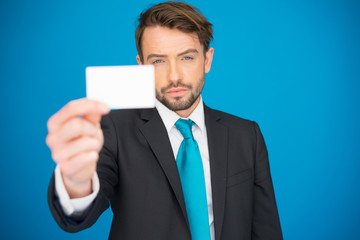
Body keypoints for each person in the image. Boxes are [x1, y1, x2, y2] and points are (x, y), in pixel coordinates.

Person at [46, 1, 283, 239]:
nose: (174, 76)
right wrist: (76, 181)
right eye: (158, 61)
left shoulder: (246, 135)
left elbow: (265, 230)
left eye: (187, 58)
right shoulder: (113, 130)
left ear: (207, 60)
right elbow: (78, 215)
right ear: (142, 66)